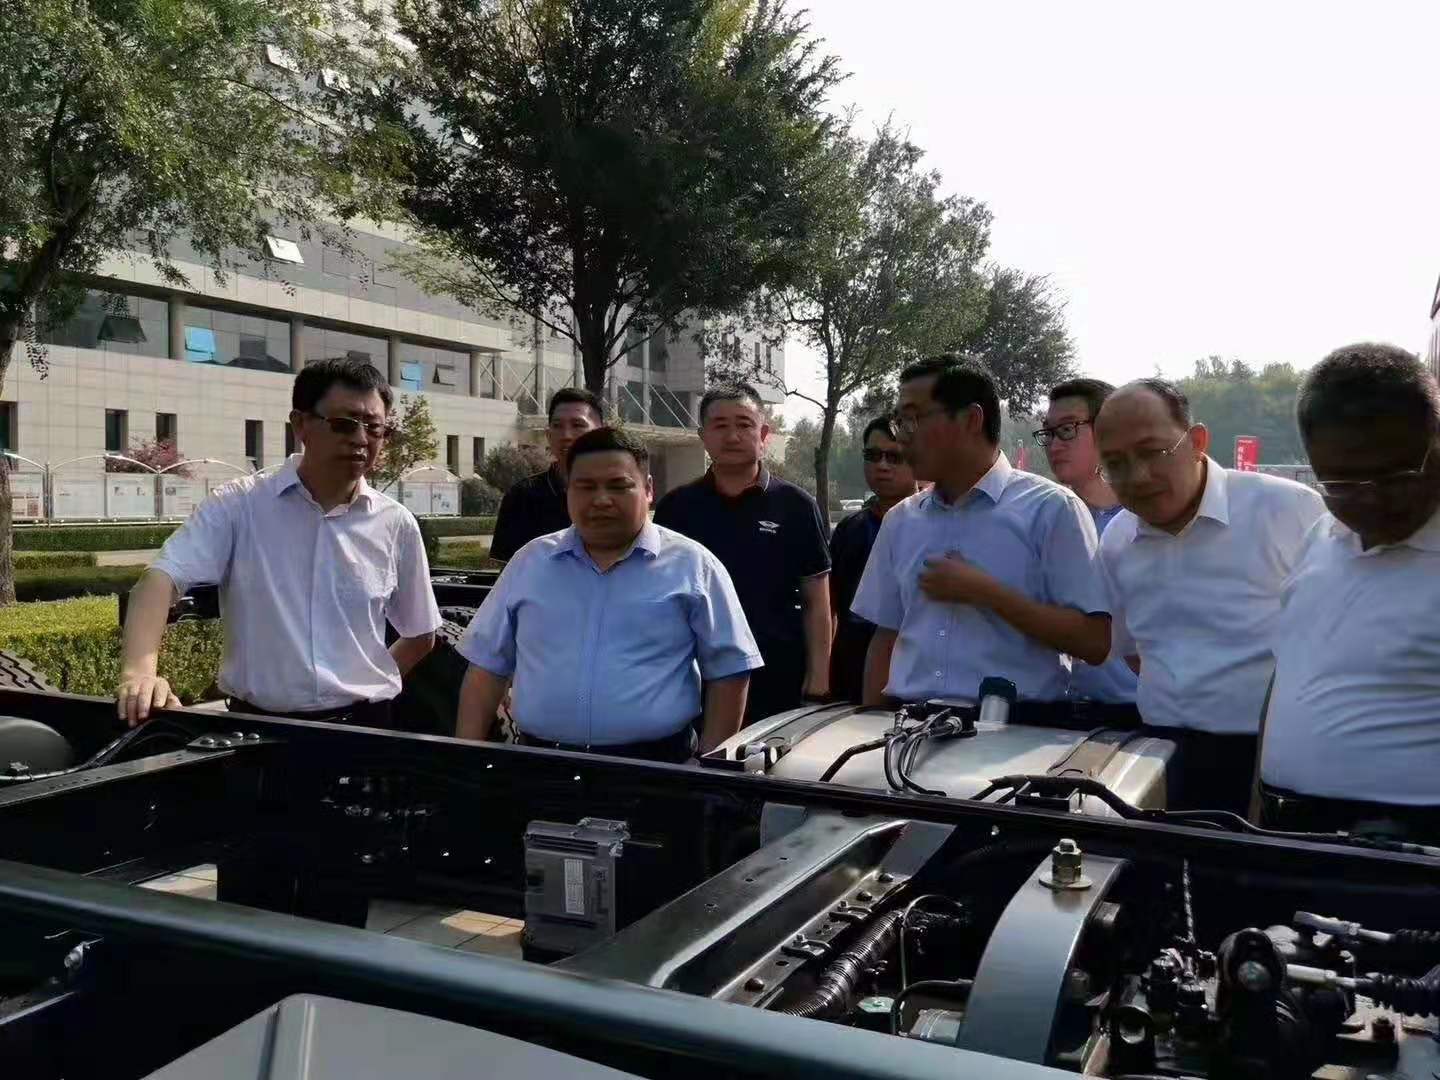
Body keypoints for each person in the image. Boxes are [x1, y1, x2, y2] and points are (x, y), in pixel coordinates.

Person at [116, 358, 441, 727]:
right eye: (344, 424)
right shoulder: (239, 506)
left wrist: (370, 685)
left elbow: (421, 634)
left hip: (366, 733)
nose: (361, 439)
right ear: (300, 424)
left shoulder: (396, 524)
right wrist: (139, 674)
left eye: (375, 427)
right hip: (259, 731)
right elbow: (160, 579)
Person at [455, 427, 762, 760]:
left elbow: (730, 670)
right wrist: (466, 761)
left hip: (656, 768)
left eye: (618, 486)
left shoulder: (693, 565)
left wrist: (710, 767)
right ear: (568, 491)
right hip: (541, 765)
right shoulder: (530, 563)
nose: (601, 500)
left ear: (648, 489)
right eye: (586, 487)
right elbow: (486, 668)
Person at [1093, 378, 1324, 814]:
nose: (1138, 477)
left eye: (1152, 453)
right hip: (1159, 753)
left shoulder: (1288, 510)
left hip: (1271, 758)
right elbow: (1133, 651)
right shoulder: (1118, 539)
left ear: (1197, 441)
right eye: (1116, 463)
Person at [853, 355, 1111, 709]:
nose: (903, 438)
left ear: (971, 420)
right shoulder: (901, 520)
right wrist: (870, 721)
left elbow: (1094, 642)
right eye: (900, 422)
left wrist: (987, 593)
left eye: (913, 419)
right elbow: (885, 637)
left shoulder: (1051, 510)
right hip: (908, 726)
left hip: (1019, 729)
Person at [1259, 344, 1440, 838]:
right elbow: (1292, 672)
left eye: (1395, 476)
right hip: (1291, 830)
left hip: (1409, 847)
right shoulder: (1322, 536)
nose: (1370, 499)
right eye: (1341, 482)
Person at [653, 383, 831, 724]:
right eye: (720, 425)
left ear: (763, 434)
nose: (732, 436)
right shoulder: (677, 507)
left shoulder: (796, 506)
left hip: (777, 672)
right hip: (695, 674)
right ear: (703, 436)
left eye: (744, 424)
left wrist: (819, 678)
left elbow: (817, 601)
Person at [1036, 378, 1139, 705]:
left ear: (1109, 430)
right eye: (1048, 432)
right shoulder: (1048, 519)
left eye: (1067, 430)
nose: (1054, 445)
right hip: (1071, 708)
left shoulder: (1148, 520)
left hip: (1144, 710)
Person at [828, 416, 920, 703]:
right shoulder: (849, 529)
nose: (882, 465)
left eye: (894, 457)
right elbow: (830, 609)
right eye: (873, 455)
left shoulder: (934, 527)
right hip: (851, 678)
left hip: (915, 682)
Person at [489, 387, 605, 562]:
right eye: (557, 426)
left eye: (577, 425)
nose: (566, 435)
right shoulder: (522, 496)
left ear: (601, 433)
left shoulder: (619, 493)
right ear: (548, 435)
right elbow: (510, 571)